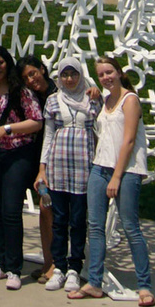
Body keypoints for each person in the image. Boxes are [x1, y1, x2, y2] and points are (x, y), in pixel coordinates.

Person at [69, 55, 155, 307]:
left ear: (119, 72)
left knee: (131, 227)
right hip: (99, 168)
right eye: (101, 75)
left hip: (126, 171)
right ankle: (94, 282)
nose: (106, 77)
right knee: (95, 227)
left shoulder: (130, 100)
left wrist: (116, 176)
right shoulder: (105, 100)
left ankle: (145, 285)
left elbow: (128, 141)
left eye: (109, 72)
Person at [0, 44, 43, 291]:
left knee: (12, 210)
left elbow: (36, 121)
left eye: (0, 63)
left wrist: (8, 129)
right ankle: (1, 263)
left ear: (8, 62)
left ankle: (14, 267)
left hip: (17, 154)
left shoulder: (20, 90)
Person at [37, 56, 101, 294]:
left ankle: (75, 267)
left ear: (80, 75)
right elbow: (49, 135)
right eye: (65, 74)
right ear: (59, 77)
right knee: (59, 220)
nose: (70, 79)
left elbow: (102, 126)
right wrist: (42, 168)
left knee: (78, 221)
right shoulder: (54, 101)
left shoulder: (92, 99)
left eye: (74, 74)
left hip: (84, 166)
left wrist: (97, 93)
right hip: (59, 166)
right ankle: (59, 267)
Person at [17, 54, 57, 281]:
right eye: (26, 78)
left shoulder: (60, 91)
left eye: (33, 73)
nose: (31, 80)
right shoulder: (31, 97)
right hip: (40, 161)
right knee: (46, 210)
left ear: (42, 69)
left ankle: (56, 264)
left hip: (60, 160)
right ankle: (49, 263)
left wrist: (94, 92)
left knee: (50, 210)